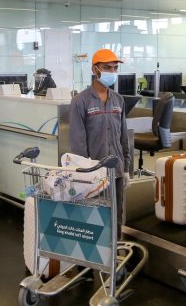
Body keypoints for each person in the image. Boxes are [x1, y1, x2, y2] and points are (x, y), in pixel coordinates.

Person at [69, 49, 131, 235]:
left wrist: (126, 168)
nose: (111, 72)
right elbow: (78, 143)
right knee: (94, 217)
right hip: (94, 173)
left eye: (114, 68)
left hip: (117, 170)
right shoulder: (81, 101)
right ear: (95, 70)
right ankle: (94, 261)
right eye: (106, 68)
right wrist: (85, 174)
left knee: (116, 216)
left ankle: (114, 258)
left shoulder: (118, 100)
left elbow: (123, 137)